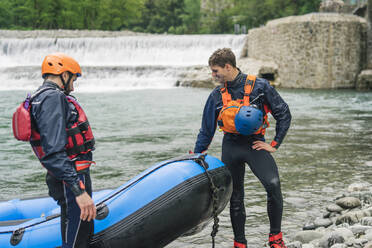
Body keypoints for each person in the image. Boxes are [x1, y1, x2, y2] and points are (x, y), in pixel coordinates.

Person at [193, 48, 291, 248]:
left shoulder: (260, 87)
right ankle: (240, 243)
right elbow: (206, 130)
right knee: (236, 196)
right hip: (231, 148)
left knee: (273, 185)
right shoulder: (216, 96)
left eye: (215, 71)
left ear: (227, 67)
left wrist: (274, 144)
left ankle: (275, 238)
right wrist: (197, 155)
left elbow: (284, 114)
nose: (213, 75)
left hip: (255, 145)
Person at [30, 53, 96, 247]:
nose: (73, 87)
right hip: (71, 179)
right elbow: (54, 152)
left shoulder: (42, 97)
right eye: (73, 79)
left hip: (69, 176)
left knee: (82, 234)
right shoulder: (52, 99)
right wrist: (78, 191)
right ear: (64, 75)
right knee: (76, 239)